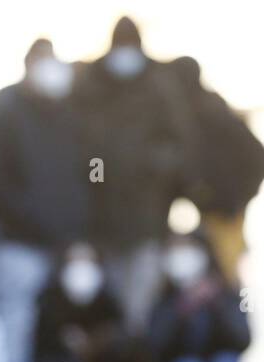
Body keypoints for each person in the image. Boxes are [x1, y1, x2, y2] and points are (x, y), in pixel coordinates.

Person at [0, 38, 91, 362]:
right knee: (11, 333)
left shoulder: (67, 114)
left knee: (58, 330)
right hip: (16, 243)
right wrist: (34, 220)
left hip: (60, 247)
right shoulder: (6, 108)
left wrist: (73, 235)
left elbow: (78, 180)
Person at [74, 17, 193, 332]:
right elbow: (78, 151)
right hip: (101, 225)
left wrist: (153, 168)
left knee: (140, 309)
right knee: (104, 307)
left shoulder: (159, 85)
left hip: (146, 220)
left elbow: (179, 144)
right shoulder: (90, 85)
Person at [166, 56, 264, 286]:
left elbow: (260, 157)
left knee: (228, 281)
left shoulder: (213, 112)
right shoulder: (185, 115)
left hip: (223, 215)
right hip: (202, 212)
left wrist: (237, 198)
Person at [146, 231, 259, 362]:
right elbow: (154, 346)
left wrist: (217, 305)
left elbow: (243, 338)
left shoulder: (227, 292)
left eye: (188, 249)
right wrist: (181, 312)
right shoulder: (164, 298)